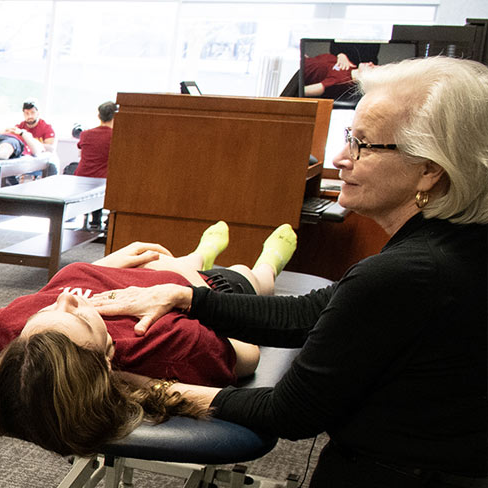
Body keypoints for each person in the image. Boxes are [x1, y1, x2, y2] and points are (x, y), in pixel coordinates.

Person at [92, 57, 488, 487]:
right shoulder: (454, 244)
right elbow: (311, 313)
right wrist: (186, 299)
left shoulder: (410, 273)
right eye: (349, 138)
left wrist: (139, 385)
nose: (341, 157)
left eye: (362, 145)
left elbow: (290, 412)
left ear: (430, 169)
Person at [0, 220, 298, 456]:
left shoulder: (12, 327)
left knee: (173, 258)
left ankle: (201, 252)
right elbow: (248, 353)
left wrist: (96, 266)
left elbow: (53, 292)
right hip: (203, 290)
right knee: (249, 275)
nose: (65, 300)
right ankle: (267, 261)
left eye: (43, 315)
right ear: (108, 355)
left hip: (125, 271)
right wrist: (182, 284)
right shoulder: (172, 345)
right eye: (79, 317)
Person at [74, 100, 117, 229]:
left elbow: (80, 155)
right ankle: (108, 221)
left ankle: (95, 219)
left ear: (99, 116)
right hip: (104, 179)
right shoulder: (116, 135)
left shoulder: (85, 134)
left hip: (81, 177)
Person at [303, 53, 375, 100]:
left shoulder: (342, 81)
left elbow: (305, 90)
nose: (371, 63)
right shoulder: (351, 66)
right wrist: (341, 55)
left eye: (373, 68)